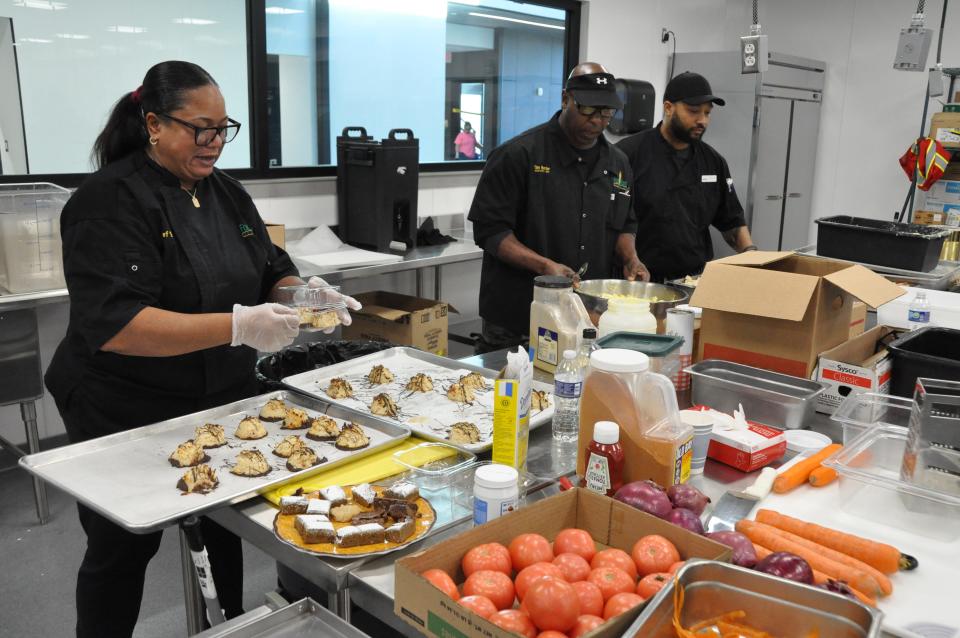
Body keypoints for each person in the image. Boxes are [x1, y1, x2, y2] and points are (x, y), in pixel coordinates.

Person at [43, 61, 359, 638]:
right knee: (123, 548)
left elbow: (273, 272)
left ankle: (226, 627)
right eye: (200, 128)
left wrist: (305, 293)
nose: (214, 143)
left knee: (223, 525)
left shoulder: (228, 194)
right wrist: (239, 326)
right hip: (121, 405)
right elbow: (119, 325)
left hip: (214, 397)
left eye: (223, 129)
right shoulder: (108, 200)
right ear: (154, 125)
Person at [468, 62, 648, 349]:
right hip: (518, 315)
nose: (597, 121)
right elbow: (490, 232)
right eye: (588, 109)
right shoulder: (518, 155)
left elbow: (624, 222)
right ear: (566, 99)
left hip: (585, 314)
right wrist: (544, 266)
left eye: (606, 112)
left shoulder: (618, 164)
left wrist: (630, 258)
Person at [616, 71, 756, 282]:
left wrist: (752, 255)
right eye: (693, 111)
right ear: (668, 108)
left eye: (707, 113)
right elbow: (610, 222)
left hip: (692, 281)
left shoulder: (714, 162)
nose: (703, 121)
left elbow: (732, 223)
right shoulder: (627, 155)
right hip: (638, 280)